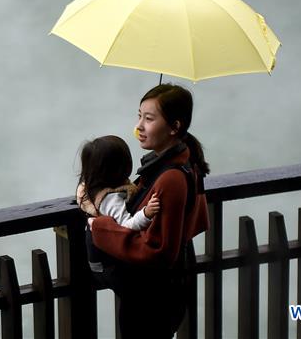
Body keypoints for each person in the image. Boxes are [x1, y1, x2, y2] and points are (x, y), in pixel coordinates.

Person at [86, 84, 210, 339]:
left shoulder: (170, 178)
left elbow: (159, 250)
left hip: (153, 297)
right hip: (164, 291)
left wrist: (98, 226)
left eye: (149, 119)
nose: (139, 126)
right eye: (139, 116)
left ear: (175, 127)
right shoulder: (181, 163)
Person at [75, 135, 161, 277]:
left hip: (99, 262)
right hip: (111, 267)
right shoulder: (111, 199)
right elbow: (125, 226)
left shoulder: (89, 188)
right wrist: (146, 214)